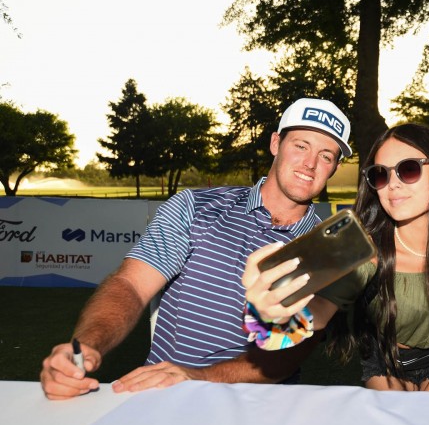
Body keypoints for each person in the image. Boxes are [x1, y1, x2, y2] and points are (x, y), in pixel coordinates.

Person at [40, 98, 352, 400]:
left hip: (261, 407)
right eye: (301, 146)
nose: (310, 163)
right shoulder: (195, 207)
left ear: (335, 167)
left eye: (326, 156)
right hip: (165, 395)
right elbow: (131, 284)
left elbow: (289, 353)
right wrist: (86, 346)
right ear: (275, 144)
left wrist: (198, 377)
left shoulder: (327, 250)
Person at [242, 123, 429, 391]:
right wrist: (268, 318)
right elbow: (318, 312)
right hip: (386, 359)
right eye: (380, 175)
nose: (393, 185)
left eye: (408, 169)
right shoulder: (366, 251)